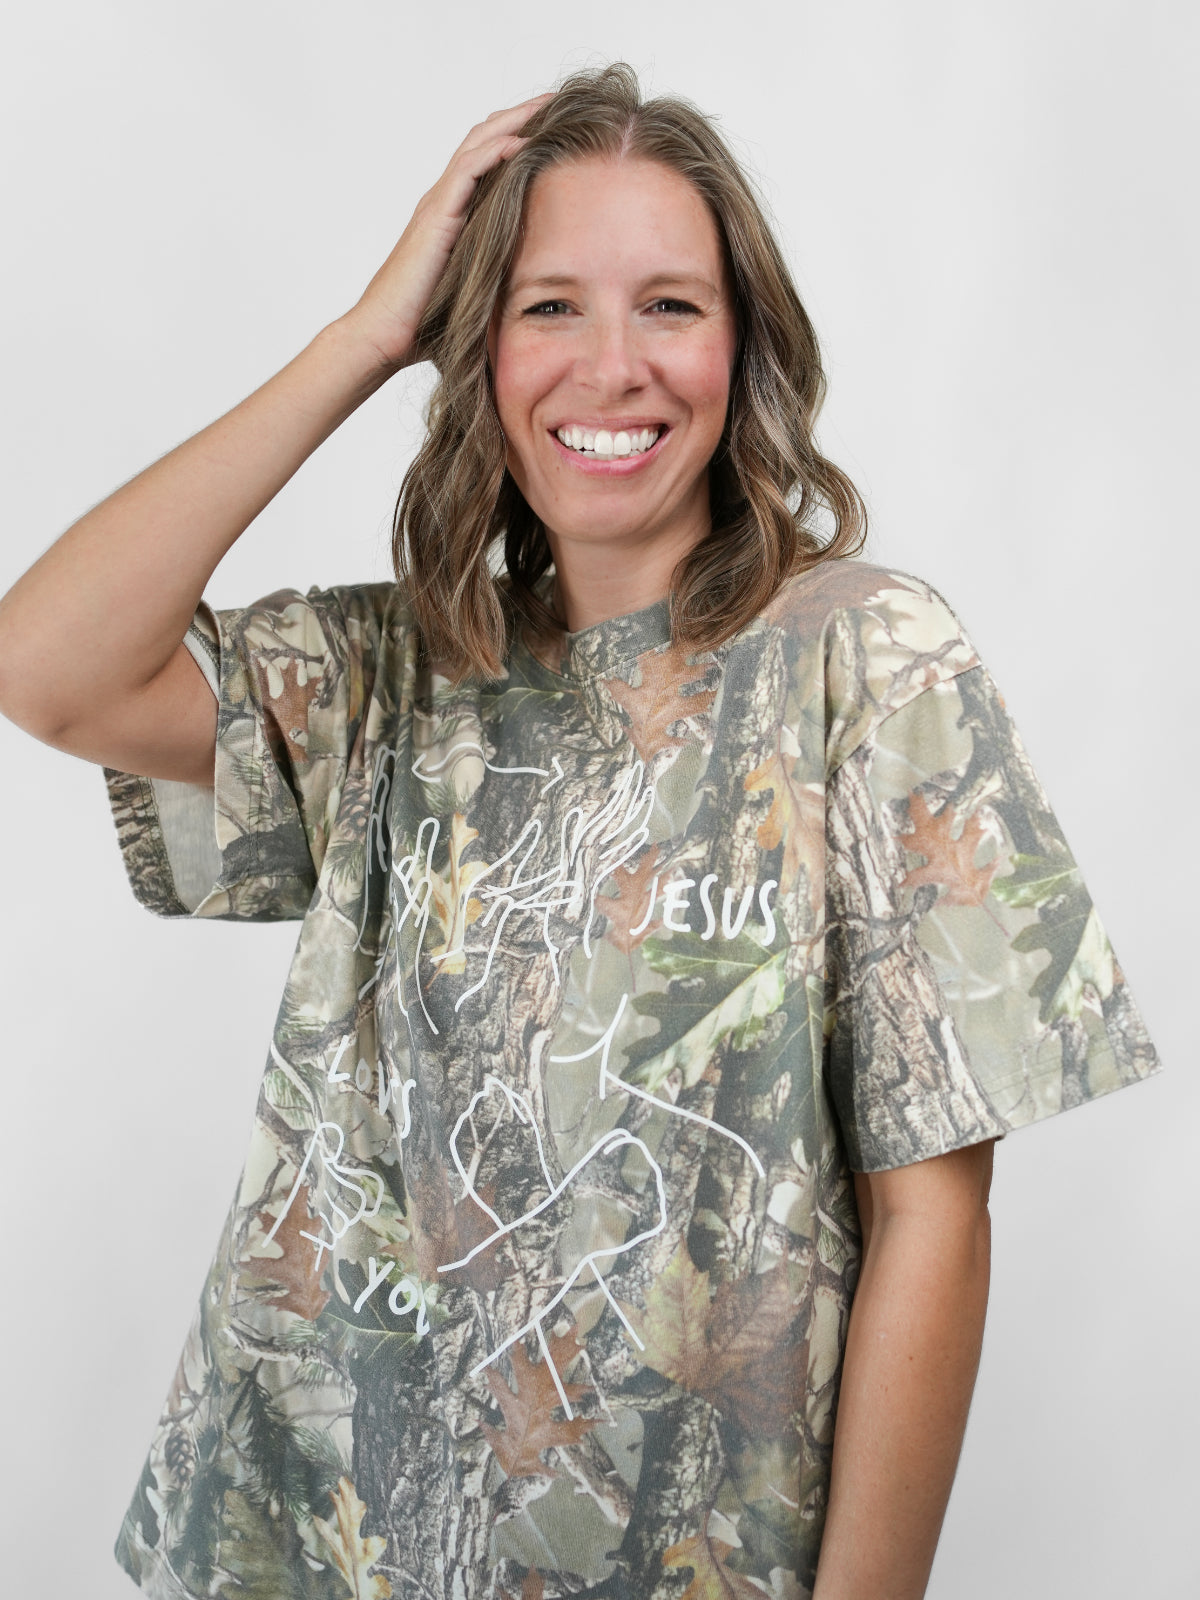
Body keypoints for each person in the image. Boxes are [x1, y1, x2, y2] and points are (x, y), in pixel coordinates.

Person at [0, 62, 1159, 1600]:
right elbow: (50, 666)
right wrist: (363, 339)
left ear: (743, 350)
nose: (613, 367)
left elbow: (934, 1215)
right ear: (475, 352)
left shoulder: (868, 661)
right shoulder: (396, 669)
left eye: (670, 306)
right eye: (548, 307)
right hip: (312, 1543)